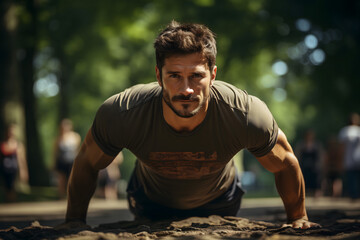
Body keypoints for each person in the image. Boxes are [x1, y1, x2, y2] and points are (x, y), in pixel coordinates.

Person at [58, 21, 319, 229]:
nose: (187, 89)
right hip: (149, 205)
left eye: (197, 76)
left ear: (213, 76)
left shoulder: (245, 113)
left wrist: (298, 218)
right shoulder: (122, 113)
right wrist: (74, 221)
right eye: (175, 76)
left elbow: (286, 162)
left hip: (221, 203)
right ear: (158, 76)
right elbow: (87, 162)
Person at [0, 123, 28, 202]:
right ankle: (7, 201)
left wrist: (23, 171)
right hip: (4, 169)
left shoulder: (18, 145)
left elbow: (21, 159)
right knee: (6, 186)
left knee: (12, 186)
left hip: (13, 169)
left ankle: (12, 201)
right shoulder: (3, 144)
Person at [53, 119, 81, 198]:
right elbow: (55, 152)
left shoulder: (75, 137)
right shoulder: (58, 138)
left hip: (72, 161)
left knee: (72, 179)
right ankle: (61, 196)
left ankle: (72, 196)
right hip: (61, 161)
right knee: (61, 180)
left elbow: (78, 150)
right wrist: (53, 163)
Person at [295, 130, 323, 197]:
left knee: (316, 182)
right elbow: (297, 155)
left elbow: (321, 155)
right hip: (304, 166)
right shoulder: (301, 145)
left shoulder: (317, 145)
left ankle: (316, 195)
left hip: (315, 167)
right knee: (304, 181)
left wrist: (321, 164)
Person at [338, 112, 360, 200]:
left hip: (348, 159)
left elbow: (341, 148)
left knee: (351, 179)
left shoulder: (344, 131)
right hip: (358, 159)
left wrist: (340, 160)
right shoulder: (359, 130)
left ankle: (353, 195)